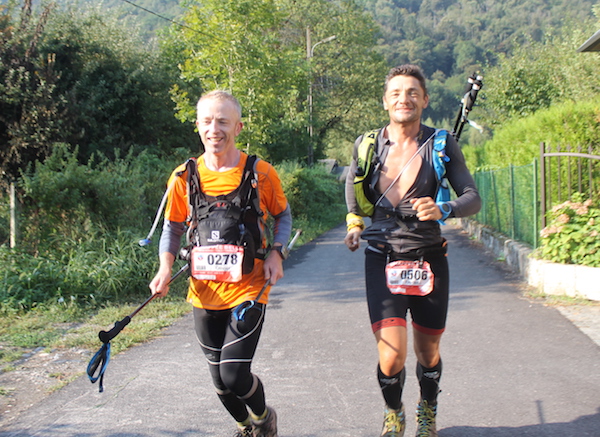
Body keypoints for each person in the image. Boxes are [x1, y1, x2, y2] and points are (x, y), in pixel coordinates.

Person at [344, 65, 481, 437]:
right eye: (396, 93)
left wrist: (444, 208)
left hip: (429, 258)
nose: (404, 98)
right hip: (382, 255)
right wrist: (355, 226)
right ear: (386, 101)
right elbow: (353, 193)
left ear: (424, 99)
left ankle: (427, 408)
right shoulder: (367, 144)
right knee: (390, 356)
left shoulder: (441, 143)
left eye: (412, 92)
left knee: (427, 353)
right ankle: (393, 412)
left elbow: (472, 197)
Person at [149, 90, 292, 437]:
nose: (215, 129)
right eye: (208, 121)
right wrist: (165, 268)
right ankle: (246, 427)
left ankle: (262, 418)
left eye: (223, 121)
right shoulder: (183, 176)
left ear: (238, 126)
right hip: (203, 293)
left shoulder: (260, 172)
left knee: (233, 373)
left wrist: (277, 251)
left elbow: (282, 214)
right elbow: (173, 227)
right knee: (220, 382)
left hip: (249, 288)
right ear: (198, 126)